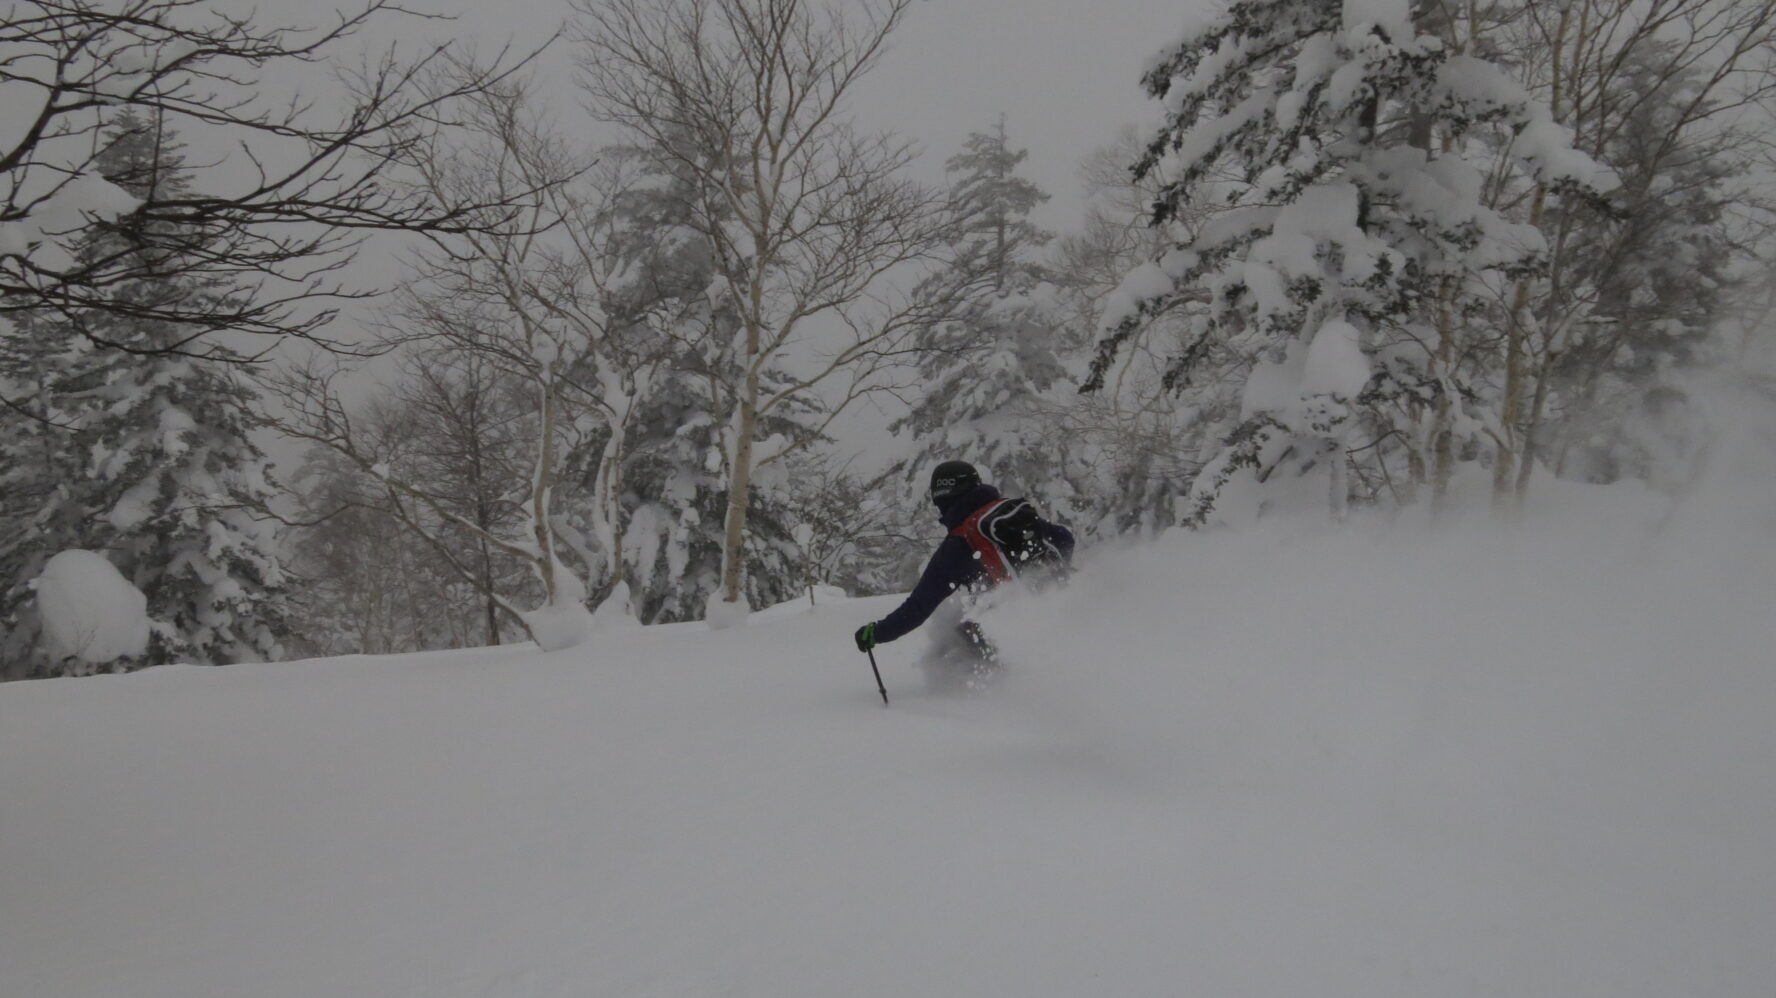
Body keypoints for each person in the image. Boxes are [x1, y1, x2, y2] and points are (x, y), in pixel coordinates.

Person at [853, 460, 1074, 681]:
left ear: (941, 497)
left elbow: (917, 608)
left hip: (1014, 625)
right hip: (1059, 609)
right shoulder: (1012, 512)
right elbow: (1065, 538)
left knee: (956, 636)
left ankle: (993, 696)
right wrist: (1058, 575)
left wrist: (876, 633)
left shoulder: (959, 544)